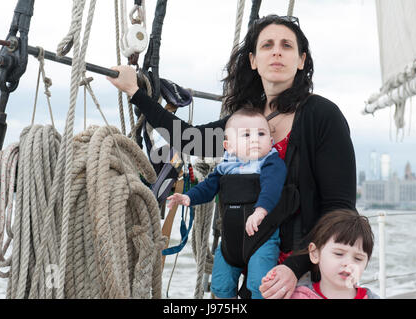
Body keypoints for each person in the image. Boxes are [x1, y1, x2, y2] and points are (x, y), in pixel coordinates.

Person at [107, 14, 357, 299]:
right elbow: (189, 140)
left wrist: (294, 266)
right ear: (253, 60)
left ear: (301, 61)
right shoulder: (244, 123)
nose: (277, 51)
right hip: (251, 273)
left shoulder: (323, 117)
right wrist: (135, 92)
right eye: (267, 45)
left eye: (287, 46)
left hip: (303, 275)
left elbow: (340, 210)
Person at [166, 107, 287, 299]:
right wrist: (188, 197)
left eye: (261, 134)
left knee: (260, 285)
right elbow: (207, 187)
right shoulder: (225, 168)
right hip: (230, 242)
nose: (255, 139)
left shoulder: (271, 164)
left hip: (261, 239)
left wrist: (260, 211)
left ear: (271, 142)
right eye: (246, 135)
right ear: (228, 146)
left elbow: (272, 188)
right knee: (220, 286)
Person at [262, 209, 379, 299]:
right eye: (339, 253)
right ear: (314, 253)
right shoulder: (298, 296)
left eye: (358, 259)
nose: (348, 264)